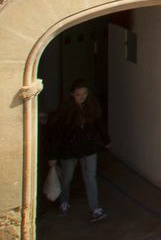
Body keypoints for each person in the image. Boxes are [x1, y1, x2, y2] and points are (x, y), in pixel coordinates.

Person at [48, 80, 108, 220]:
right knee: (67, 177)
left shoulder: (92, 107)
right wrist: (52, 156)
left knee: (90, 177)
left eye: (84, 93)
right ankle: (64, 202)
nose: (82, 97)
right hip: (69, 150)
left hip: (88, 148)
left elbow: (99, 124)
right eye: (78, 94)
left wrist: (106, 140)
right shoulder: (65, 111)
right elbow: (57, 134)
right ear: (72, 95)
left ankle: (95, 208)